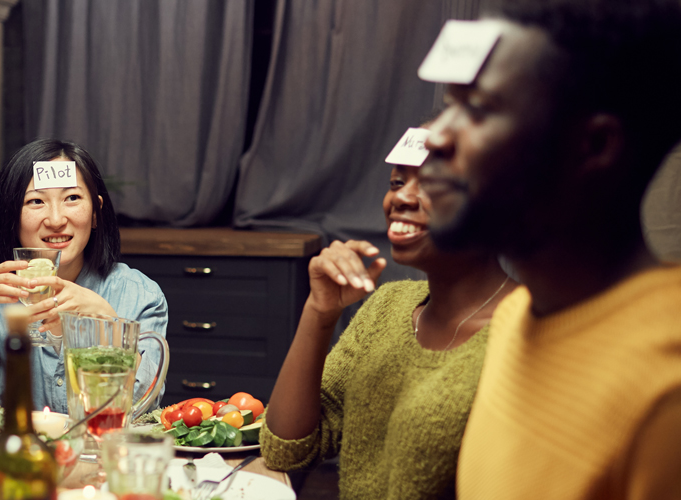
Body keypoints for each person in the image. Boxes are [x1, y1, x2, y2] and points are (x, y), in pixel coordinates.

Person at [417, 0, 681, 497]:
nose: (435, 136)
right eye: (448, 103)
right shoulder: (518, 317)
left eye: (477, 108)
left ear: (595, 146)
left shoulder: (667, 390)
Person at [259, 140, 514, 497]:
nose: (401, 199)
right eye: (397, 183)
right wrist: (319, 313)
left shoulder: (529, 331)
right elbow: (287, 448)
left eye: (432, 183)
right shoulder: (387, 307)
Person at [0, 139, 168, 415]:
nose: (55, 219)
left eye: (72, 198)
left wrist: (106, 320)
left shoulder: (141, 294)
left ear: (96, 212)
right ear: (11, 216)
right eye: (36, 201)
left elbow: (143, 404)